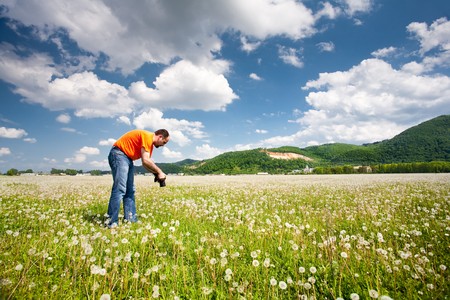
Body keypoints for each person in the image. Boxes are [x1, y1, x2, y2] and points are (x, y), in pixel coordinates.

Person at [106, 129, 170, 228]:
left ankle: (131, 219)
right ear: (160, 137)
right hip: (119, 154)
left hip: (127, 158)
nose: (163, 145)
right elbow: (146, 160)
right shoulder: (147, 137)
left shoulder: (149, 143)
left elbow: (145, 164)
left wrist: (155, 173)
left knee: (130, 190)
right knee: (120, 189)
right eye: (164, 142)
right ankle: (111, 222)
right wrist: (160, 172)